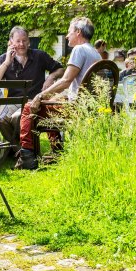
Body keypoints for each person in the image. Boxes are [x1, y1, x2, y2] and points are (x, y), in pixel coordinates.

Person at [15, 17, 101, 170]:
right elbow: (79, 85)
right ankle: (57, 151)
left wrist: (40, 95)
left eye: (69, 32)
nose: (67, 36)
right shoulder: (95, 53)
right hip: (89, 107)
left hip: (75, 109)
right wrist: (56, 96)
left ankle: (27, 157)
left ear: (78, 32)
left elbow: (66, 80)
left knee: (29, 107)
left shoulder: (79, 50)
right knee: (49, 104)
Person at [0, 26, 64, 143]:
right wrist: (7, 62)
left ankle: (20, 147)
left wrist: (51, 77)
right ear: (11, 42)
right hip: (12, 102)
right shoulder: (3, 59)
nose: (21, 44)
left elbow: (60, 69)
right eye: (18, 41)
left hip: (34, 102)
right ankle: (18, 146)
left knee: (18, 117)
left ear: (29, 41)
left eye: (24, 40)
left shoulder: (39, 55)